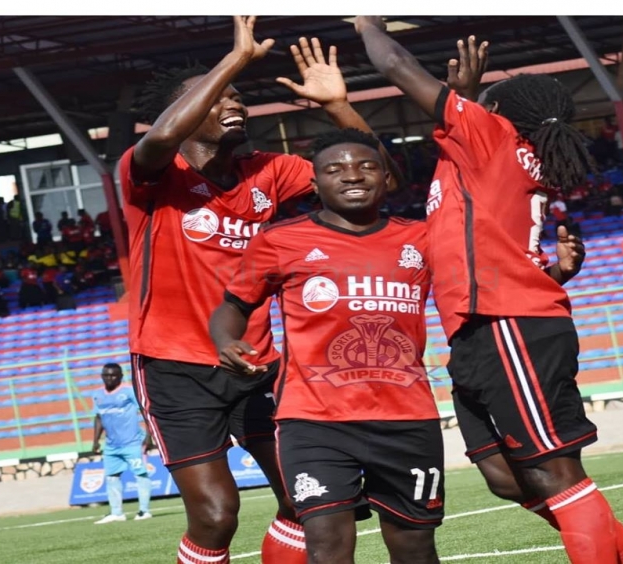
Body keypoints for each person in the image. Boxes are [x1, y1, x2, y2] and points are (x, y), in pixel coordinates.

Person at [356, 19, 623, 564]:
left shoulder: (490, 137)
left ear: (499, 114)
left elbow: (396, 65)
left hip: (507, 325)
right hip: (483, 326)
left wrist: (366, 21)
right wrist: (553, 273)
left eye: (483, 104)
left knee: (556, 471)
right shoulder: (487, 154)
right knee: (504, 477)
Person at [121, 17, 397, 564]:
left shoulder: (269, 172)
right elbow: (162, 138)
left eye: (239, 97)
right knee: (217, 515)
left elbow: (376, 179)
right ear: (187, 110)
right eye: (218, 97)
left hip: (258, 365)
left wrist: (338, 107)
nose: (235, 104)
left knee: (310, 498)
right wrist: (235, 60)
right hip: (175, 368)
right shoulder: (150, 173)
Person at [209, 129, 443, 564]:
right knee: (326, 546)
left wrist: (555, 275)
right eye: (335, 169)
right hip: (314, 419)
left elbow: (474, 290)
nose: (352, 175)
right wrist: (226, 341)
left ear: (386, 177)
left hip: (407, 417)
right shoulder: (280, 240)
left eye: (366, 166)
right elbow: (233, 306)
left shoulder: (423, 238)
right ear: (314, 184)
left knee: (414, 549)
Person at [92, 363, 154, 524]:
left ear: (120, 376)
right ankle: (117, 513)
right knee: (112, 477)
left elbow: (145, 411)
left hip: (133, 442)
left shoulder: (128, 391)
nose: (109, 378)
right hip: (111, 445)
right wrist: (96, 441)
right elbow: (98, 418)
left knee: (140, 474)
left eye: (113, 375)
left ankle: (144, 511)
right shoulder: (97, 394)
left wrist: (149, 436)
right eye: (106, 375)